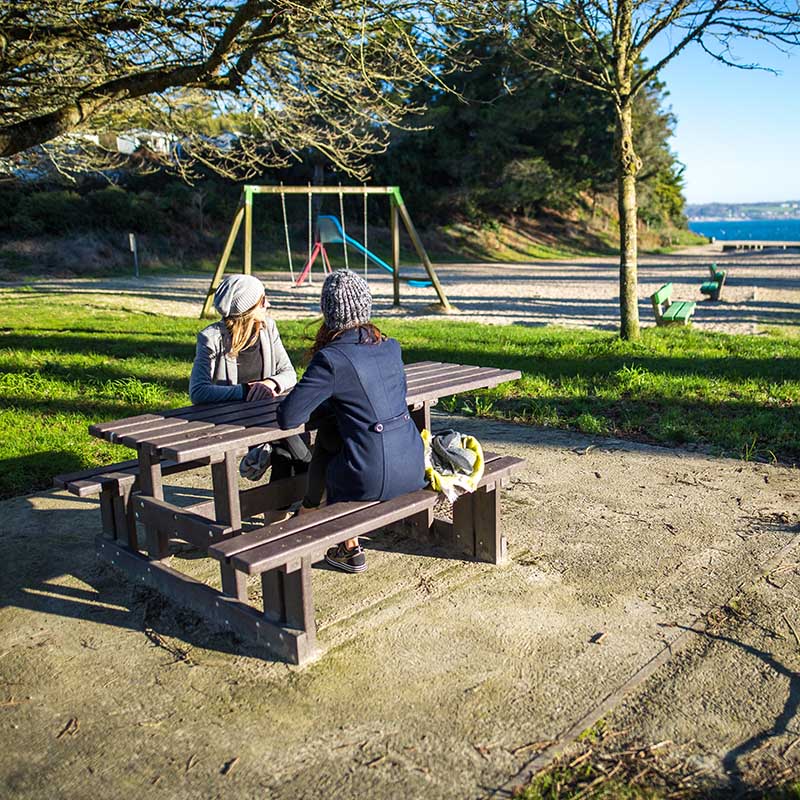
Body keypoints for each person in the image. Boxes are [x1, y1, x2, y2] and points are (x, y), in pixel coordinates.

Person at [276, 269, 426, 573]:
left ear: (328, 312)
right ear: (366, 306)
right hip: (412, 466)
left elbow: (288, 417)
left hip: (368, 479)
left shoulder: (332, 358)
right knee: (334, 434)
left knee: (333, 442)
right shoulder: (390, 347)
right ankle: (347, 545)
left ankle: (307, 515)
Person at [190, 274, 310, 488]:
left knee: (286, 452)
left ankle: (282, 513)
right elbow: (198, 391)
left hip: (266, 415)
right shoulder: (211, 338)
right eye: (263, 300)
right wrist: (246, 390)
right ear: (247, 308)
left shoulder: (268, 328)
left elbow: (289, 373)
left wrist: (270, 384)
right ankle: (313, 492)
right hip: (231, 421)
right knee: (293, 441)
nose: (268, 304)